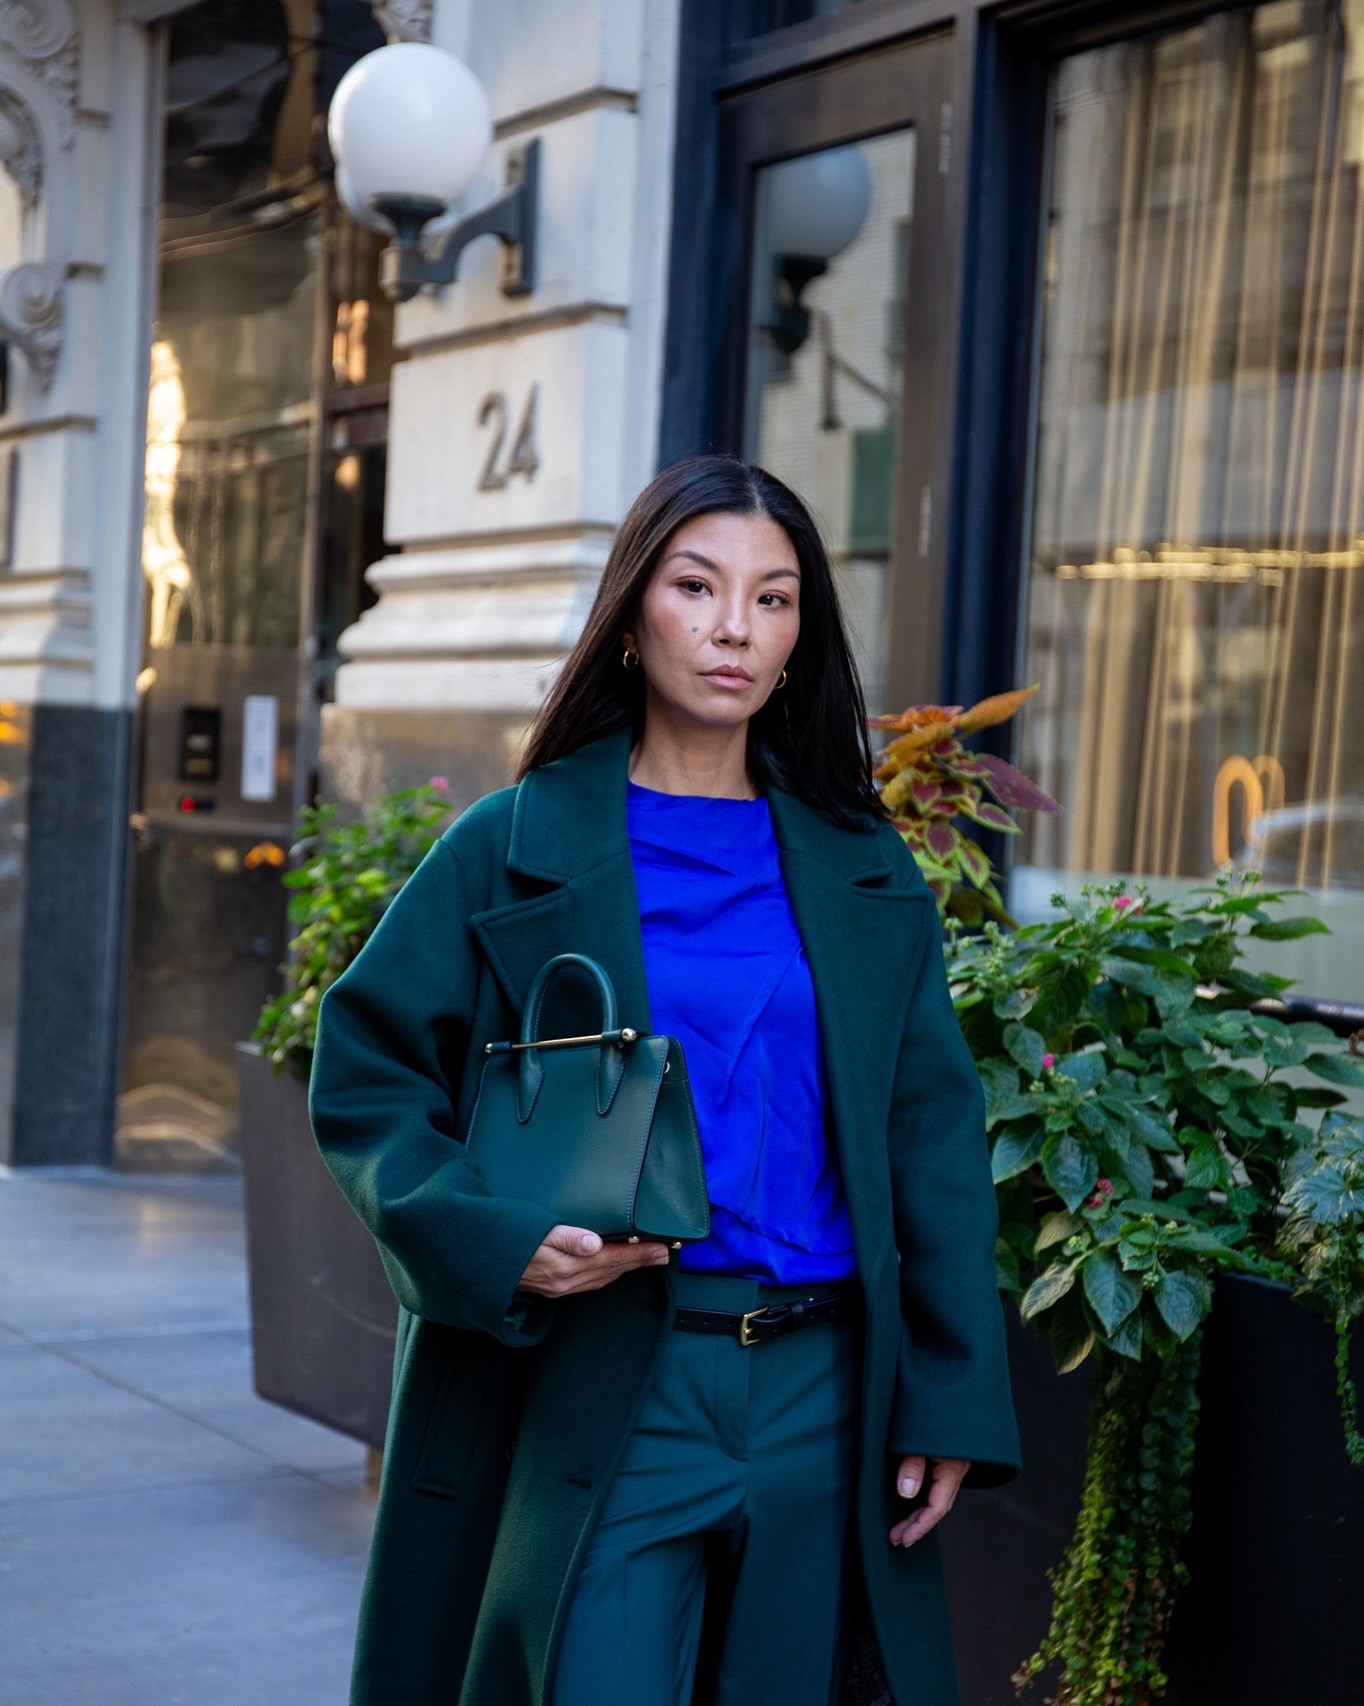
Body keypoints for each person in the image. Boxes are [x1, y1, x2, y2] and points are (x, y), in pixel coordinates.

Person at [308, 455, 1020, 1706]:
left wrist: (948, 1391)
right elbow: (366, 1073)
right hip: (612, 1373)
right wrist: (501, 1239)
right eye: (697, 586)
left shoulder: (862, 869)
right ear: (635, 610)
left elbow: (930, 1137)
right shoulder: (513, 843)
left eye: (774, 596)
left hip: (821, 1388)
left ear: (802, 632)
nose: (734, 626)